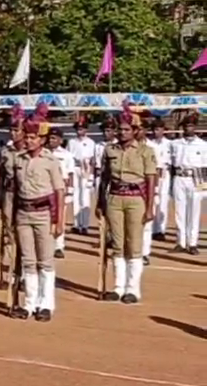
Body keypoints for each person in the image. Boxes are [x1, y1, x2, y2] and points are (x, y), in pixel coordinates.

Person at [9, 106, 66, 321]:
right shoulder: (19, 159)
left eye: (33, 138)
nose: (29, 141)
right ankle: (29, 303)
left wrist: (59, 220)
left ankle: (46, 304)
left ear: (41, 140)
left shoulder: (50, 161)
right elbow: (15, 190)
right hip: (24, 213)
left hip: (43, 213)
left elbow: (59, 191)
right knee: (28, 260)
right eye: (28, 137)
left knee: (45, 260)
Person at [99, 104, 158, 303]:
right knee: (117, 243)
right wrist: (101, 202)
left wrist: (150, 207)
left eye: (126, 129)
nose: (122, 133)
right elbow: (105, 178)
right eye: (120, 129)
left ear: (135, 131)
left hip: (136, 198)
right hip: (115, 197)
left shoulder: (145, 151)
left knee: (134, 244)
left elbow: (151, 179)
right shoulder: (109, 149)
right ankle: (118, 287)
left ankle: (132, 289)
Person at [170, 113, 207, 255]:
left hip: (195, 178)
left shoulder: (203, 145)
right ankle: (180, 242)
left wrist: (204, 187)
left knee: (194, 211)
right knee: (179, 211)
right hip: (179, 177)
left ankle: (192, 242)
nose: (188, 128)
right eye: (186, 126)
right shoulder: (175, 144)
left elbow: (205, 167)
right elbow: (171, 164)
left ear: (195, 127)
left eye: (191, 125)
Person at [47, 128, 75, 259]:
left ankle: (59, 246)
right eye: (50, 138)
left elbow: (70, 173)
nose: (51, 140)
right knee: (46, 217)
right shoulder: (44, 152)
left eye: (54, 138)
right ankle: (47, 244)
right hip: (46, 187)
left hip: (61, 187)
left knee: (60, 217)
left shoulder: (67, 155)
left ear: (60, 140)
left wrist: (70, 190)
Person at [67, 116, 98, 235]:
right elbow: (69, 157)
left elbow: (93, 160)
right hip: (75, 167)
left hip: (86, 169)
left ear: (86, 129)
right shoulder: (71, 142)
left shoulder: (91, 142)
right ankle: (76, 223)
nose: (80, 131)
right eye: (78, 128)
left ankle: (84, 224)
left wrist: (91, 176)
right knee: (75, 196)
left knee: (85, 197)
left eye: (82, 128)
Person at [146, 118, 172, 247]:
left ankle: (161, 229)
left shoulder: (169, 144)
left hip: (164, 173)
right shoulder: (150, 144)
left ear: (163, 130)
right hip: (153, 173)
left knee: (163, 202)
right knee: (153, 200)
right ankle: (152, 228)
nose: (157, 132)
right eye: (155, 129)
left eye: (159, 129)